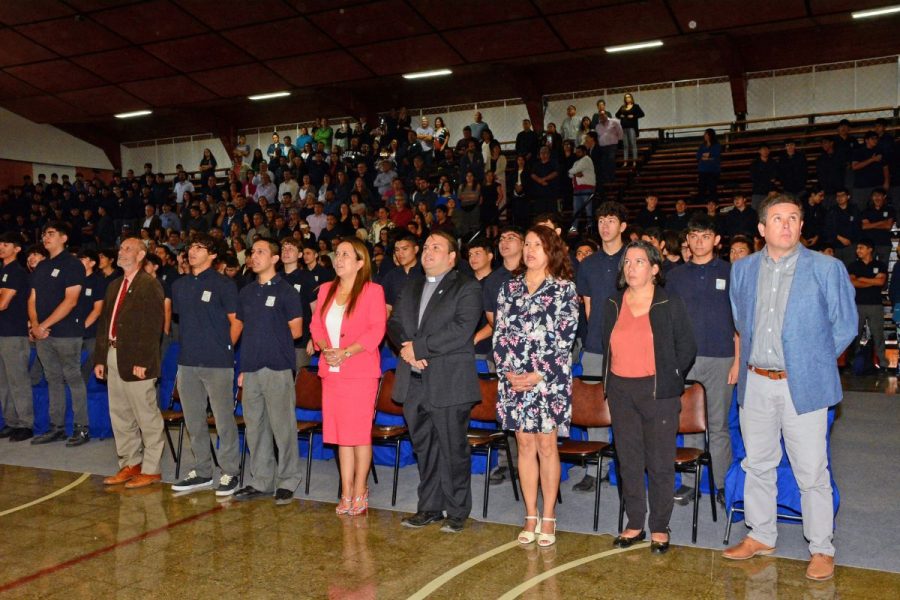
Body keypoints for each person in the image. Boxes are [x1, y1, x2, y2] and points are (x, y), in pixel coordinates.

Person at [724, 194, 856, 582]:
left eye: (793, 218)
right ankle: (761, 534)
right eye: (777, 218)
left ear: (801, 226)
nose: (786, 224)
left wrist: (810, 363)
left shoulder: (826, 268)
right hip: (757, 382)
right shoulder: (743, 270)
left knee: (811, 470)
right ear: (762, 229)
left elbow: (845, 325)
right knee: (758, 463)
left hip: (804, 385)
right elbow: (739, 319)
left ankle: (821, 547)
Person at [599, 240, 697, 554]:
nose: (631, 267)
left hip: (658, 392)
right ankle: (635, 522)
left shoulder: (670, 302)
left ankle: (659, 526)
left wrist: (670, 378)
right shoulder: (613, 302)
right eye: (627, 262)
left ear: (655, 269)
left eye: (639, 261)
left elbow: (687, 348)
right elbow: (607, 344)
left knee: (659, 462)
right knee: (628, 460)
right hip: (620, 391)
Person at [387, 231, 482, 533]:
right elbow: (395, 323)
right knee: (424, 448)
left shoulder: (466, 287)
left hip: (449, 382)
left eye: (436, 247)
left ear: (452, 257)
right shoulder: (411, 285)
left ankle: (456, 510)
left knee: (453, 449)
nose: (428, 252)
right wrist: (407, 348)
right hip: (414, 381)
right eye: (426, 247)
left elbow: (462, 328)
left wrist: (419, 348)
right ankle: (429, 507)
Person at [493, 226, 579, 547]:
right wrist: (511, 372)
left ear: (550, 250)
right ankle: (530, 514)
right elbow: (499, 335)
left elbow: (565, 338)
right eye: (526, 244)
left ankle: (549, 514)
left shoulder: (564, 290)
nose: (529, 250)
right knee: (524, 446)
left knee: (546, 445)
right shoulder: (508, 288)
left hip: (548, 382)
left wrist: (538, 374)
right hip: (514, 382)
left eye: (537, 245)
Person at [309, 238, 387, 516]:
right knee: (341, 436)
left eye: (345, 254)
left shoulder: (372, 291)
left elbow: (377, 330)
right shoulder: (326, 290)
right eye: (336, 253)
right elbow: (316, 324)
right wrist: (325, 347)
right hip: (331, 371)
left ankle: (360, 490)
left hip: (359, 371)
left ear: (360, 262)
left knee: (359, 435)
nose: (338, 258)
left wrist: (347, 352)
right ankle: (345, 490)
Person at [667, 215, 737, 507]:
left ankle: (722, 486)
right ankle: (691, 485)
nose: (699, 242)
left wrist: (738, 361)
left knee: (718, 426)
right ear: (687, 241)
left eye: (705, 236)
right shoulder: (675, 276)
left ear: (716, 240)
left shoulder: (731, 272)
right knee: (689, 424)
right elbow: (667, 320)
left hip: (722, 359)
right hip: (686, 360)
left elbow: (740, 322)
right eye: (694, 236)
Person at [170, 235, 243, 496]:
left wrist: (226, 350)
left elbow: (236, 321)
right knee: (194, 420)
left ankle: (230, 472)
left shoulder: (224, 285)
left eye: (199, 248)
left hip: (218, 363)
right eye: (190, 247)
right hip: (187, 362)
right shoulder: (180, 285)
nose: (192, 251)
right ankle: (202, 470)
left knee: (223, 420)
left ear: (212, 255)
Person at [232, 239, 305, 505]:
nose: (255, 256)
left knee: (283, 427)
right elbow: (241, 329)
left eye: (261, 251)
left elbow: (297, 330)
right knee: (255, 426)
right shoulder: (247, 292)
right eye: (253, 252)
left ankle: (287, 480)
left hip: (277, 366)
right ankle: (262, 479)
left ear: (275, 259)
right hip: (251, 367)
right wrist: (240, 366)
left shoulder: (287, 291)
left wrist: (270, 335)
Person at [94, 237, 166, 489]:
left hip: (137, 359)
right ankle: (130, 463)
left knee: (146, 415)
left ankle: (151, 468)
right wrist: (100, 358)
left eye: (127, 249)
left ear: (140, 255)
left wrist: (143, 361)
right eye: (121, 247)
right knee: (120, 415)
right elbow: (105, 324)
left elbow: (153, 327)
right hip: (114, 355)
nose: (121, 252)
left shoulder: (149, 285)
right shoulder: (114, 285)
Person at [573, 201, 627, 492]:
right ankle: (596, 470)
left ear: (622, 226)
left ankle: (624, 469)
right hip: (595, 346)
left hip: (629, 348)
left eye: (611, 220)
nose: (605, 225)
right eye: (602, 220)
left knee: (625, 411)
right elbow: (589, 307)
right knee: (595, 412)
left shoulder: (633, 258)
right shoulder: (589, 264)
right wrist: (600, 338)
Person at [28, 221, 88, 446]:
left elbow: (71, 301)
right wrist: (35, 325)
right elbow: (32, 298)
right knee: (52, 378)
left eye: (51, 233)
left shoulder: (73, 265)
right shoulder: (42, 267)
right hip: (43, 333)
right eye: (44, 234)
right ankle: (57, 427)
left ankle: (81, 428)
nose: (46, 237)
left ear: (64, 238)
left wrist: (43, 325)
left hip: (67, 332)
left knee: (72, 377)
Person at [0, 232, 34, 442]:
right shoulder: (2, 270)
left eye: (6, 244)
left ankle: (26, 423)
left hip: (14, 333)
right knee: (3, 382)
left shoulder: (17, 272)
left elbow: (3, 303)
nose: (1, 247)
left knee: (18, 380)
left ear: (17, 248)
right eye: (0, 244)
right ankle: (11, 422)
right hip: (2, 332)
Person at [848, 239, 887, 370]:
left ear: (869, 249)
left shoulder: (880, 265)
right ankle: (853, 362)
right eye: (857, 248)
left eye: (861, 247)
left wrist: (862, 279)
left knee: (878, 334)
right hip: (857, 304)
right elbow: (852, 283)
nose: (858, 250)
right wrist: (872, 281)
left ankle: (882, 363)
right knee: (855, 334)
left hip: (875, 304)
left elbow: (881, 282)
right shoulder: (853, 265)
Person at [615, 93, 645, 167]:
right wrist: (620, 116)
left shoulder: (635, 106)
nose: (627, 99)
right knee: (625, 145)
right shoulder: (623, 107)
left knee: (633, 144)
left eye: (629, 97)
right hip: (624, 128)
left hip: (632, 127)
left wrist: (634, 116)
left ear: (631, 98)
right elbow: (617, 114)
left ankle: (634, 161)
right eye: (626, 97)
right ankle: (625, 162)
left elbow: (642, 114)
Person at [697, 129, 722, 203]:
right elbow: (698, 156)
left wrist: (707, 156)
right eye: (704, 134)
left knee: (712, 190)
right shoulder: (702, 145)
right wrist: (709, 157)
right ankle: (701, 208)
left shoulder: (717, 145)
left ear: (710, 135)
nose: (704, 136)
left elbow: (716, 156)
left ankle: (714, 206)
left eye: (706, 134)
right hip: (702, 171)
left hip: (713, 171)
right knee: (701, 190)